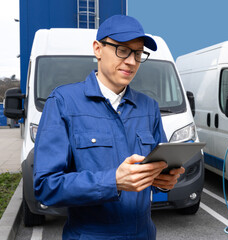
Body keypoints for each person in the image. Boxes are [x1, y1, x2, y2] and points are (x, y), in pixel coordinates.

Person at [33, 15, 185, 239]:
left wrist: (163, 182)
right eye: (122, 50)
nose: (132, 61)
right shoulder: (64, 102)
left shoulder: (149, 107)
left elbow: (152, 174)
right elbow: (46, 186)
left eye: (138, 53)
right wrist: (112, 181)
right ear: (98, 49)